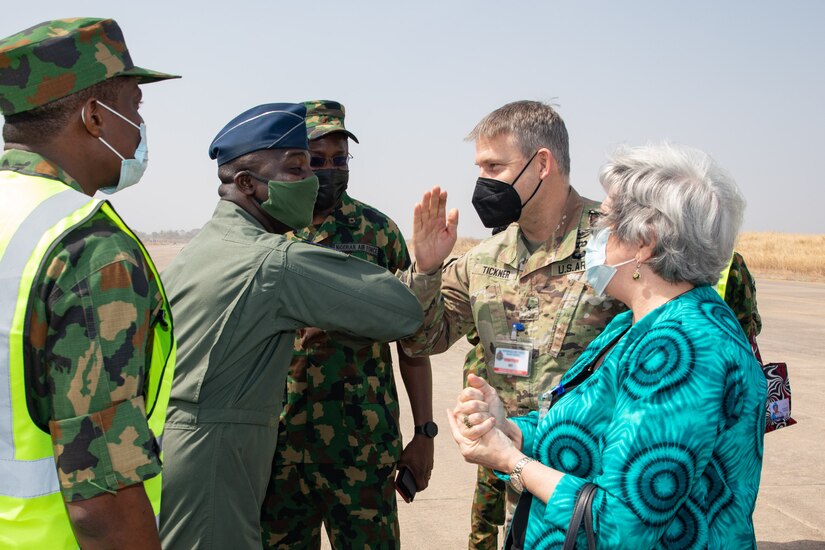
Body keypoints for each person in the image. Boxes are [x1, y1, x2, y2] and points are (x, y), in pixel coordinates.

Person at [448, 143, 767, 549]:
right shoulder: (634, 323)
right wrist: (508, 428)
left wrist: (512, 462)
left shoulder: (685, 348)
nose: (593, 232)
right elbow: (594, 437)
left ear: (645, 241)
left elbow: (621, 526)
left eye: (606, 220)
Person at [158, 103, 423, 550]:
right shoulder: (272, 257)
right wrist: (429, 272)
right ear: (246, 184)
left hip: (197, 442)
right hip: (234, 454)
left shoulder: (203, 247)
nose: (315, 180)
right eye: (300, 169)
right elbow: (403, 312)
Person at [399, 100, 625, 548]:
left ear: (542, 164)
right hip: (513, 483)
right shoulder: (485, 258)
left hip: (597, 486)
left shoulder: (618, 243)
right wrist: (426, 271)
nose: (482, 181)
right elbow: (425, 339)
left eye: (495, 166)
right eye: (480, 167)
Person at [0, 18, 179, 549]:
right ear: (95, 116)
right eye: (136, 107)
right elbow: (101, 502)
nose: (141, 127)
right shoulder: (88, 249)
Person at [261, 100, 434, 549]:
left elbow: (411, 345)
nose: (331, 170)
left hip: (362, 449)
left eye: (341, 160)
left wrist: (424, 433)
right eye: (317, 160)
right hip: (278, 452)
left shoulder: (377, 233)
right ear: (292, 161)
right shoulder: (266, 230)